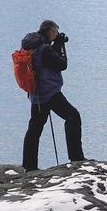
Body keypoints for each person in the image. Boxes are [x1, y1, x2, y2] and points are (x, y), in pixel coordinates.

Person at [21, 20, 86, 171]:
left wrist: (55, 45)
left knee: (34, 128)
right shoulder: (44, 49)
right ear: (50, 31)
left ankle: (29, 166)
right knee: (73, 117)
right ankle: (76, 158)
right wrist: (61, 45)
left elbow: (47, 62)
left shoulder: (32, 45)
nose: (56, 35)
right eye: (55, 32)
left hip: (36, 93)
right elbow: (62, 64)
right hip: (50, 93)